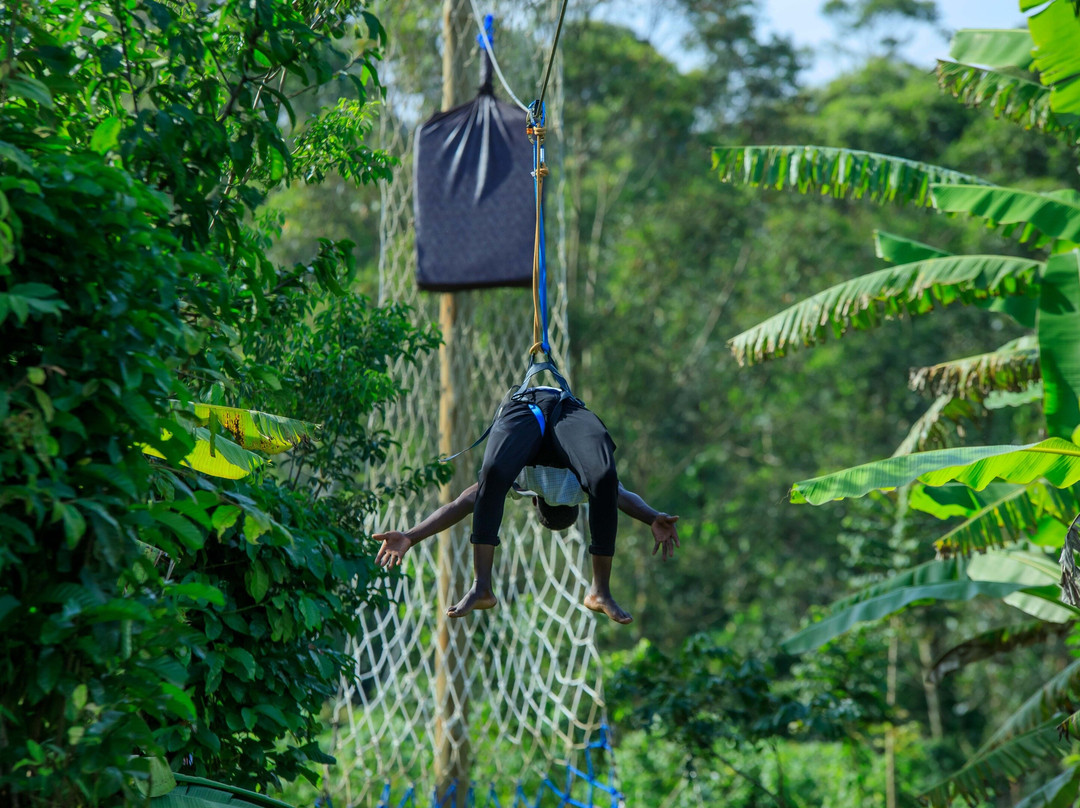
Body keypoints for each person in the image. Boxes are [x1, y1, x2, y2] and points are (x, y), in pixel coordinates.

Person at [373, 384, 680, 625]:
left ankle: (484, 586)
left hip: (535, 411)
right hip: (560, 413)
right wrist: (410, 537)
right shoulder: (529, 485)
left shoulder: (550, 486)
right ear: (536, 503)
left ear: (537, 501)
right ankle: (599, 590)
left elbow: (463, 502)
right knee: (501, 477)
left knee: (501, 477)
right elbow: (463, 503)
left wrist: (653, 517)